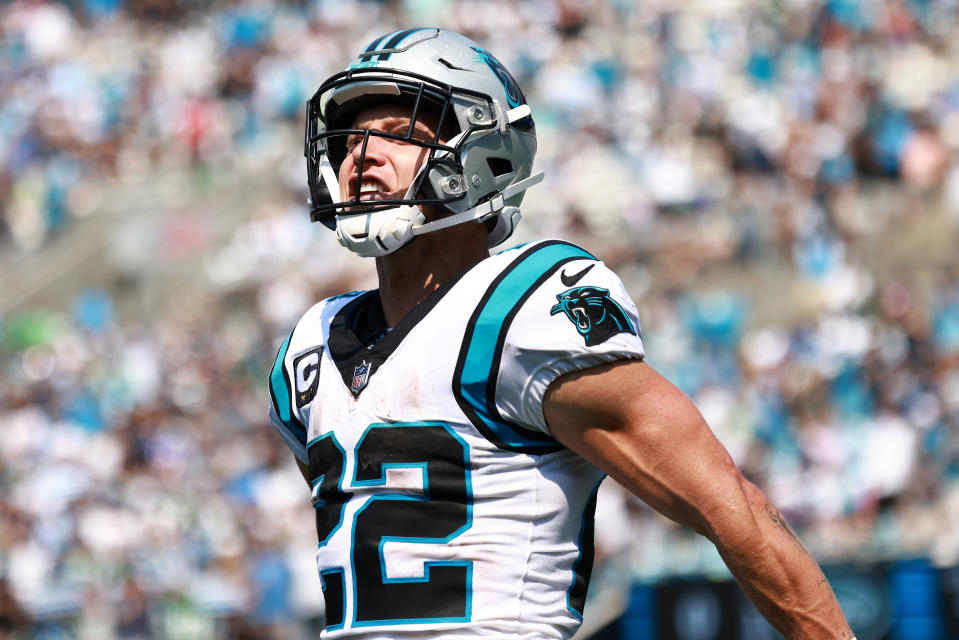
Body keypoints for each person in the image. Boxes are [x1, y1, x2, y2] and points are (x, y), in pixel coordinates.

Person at [269, 27, 855, 639]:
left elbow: (731, 509)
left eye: (400, 133)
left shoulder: (520, 311)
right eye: (353, 136)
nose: (363, 153)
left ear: (482, 154)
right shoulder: (313, 345)